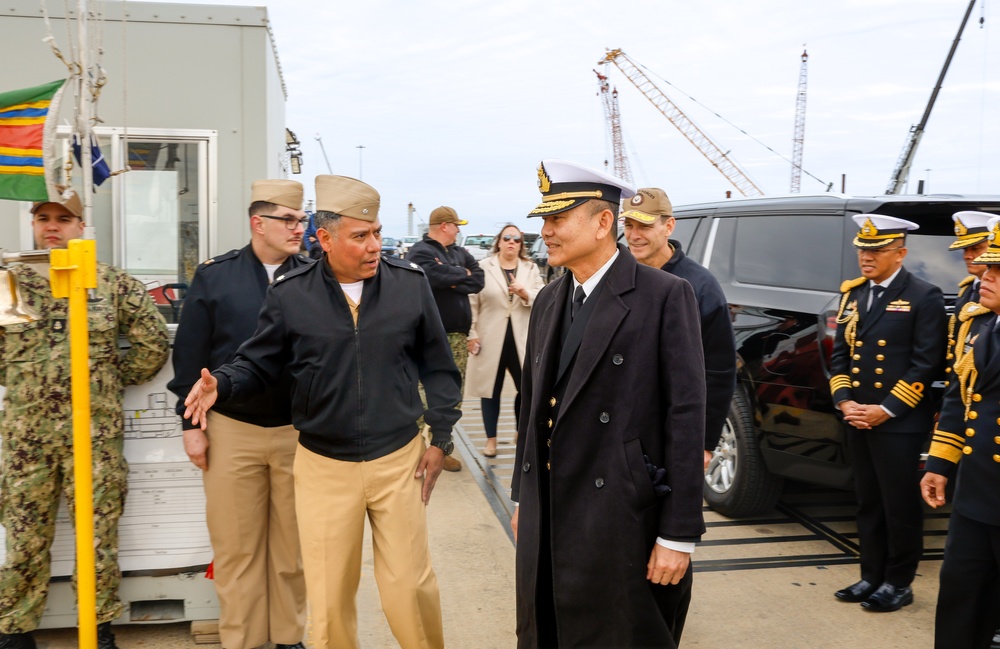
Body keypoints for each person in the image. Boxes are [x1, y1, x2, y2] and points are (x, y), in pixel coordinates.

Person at [181, 175, 462, 649]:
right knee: (329, 605)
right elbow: (258, 361)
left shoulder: (410, 286)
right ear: (325, 238)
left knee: (409, 589)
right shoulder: (291, 293)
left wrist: (441, 437)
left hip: (397, 460)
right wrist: (222, 385)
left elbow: (440, 367)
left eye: (376, 232)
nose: (374, 245)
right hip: (323, 466)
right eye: (360, 236)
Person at [510, 160, 706, 648]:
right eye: (544, 220)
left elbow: (686, 415)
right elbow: (532, 408)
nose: (546, 232)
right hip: (550, 508)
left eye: (558, 219)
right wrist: (522, 493)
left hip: (621, 516)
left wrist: (677, 535)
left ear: (603, 223)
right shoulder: (550, 301)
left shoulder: (664, 296)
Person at [0, 187, 169, 649]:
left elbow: (153, 343)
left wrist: (108, 381)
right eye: (43, 218)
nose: (51, 226)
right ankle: (15, 633)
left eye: (62, 219)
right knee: (23, 538)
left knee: (96, 540)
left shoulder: (111, 284)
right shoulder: (7, 283)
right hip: (26, 441)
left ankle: (99, 629)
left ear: (80, 227)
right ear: (33, 225)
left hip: (93, 440)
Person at [167, 179, 311, 649]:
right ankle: (243, 640)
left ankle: (289, 637)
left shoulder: (315, 276)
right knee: (237, 549)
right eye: (288, 219)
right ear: (259, 223)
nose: (299, 228)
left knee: (293, 548)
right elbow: (189, 358)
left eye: (302, 219)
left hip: (297, 432)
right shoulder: (216, 276)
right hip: (232, 429)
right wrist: (192, 427)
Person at [829, 213, 946, 612]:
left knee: (899, 505)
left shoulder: (924, 296)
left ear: (900, 253)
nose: (866, 257)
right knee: (867, 501)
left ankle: (899, 581)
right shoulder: (854, 294)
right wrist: (845, 402)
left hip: (898, 422)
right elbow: (841, 355)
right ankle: (870, 575)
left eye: (876, 250)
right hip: (858, 417)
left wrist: (886, 409)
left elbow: (926, 363)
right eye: (863, 249)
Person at [922, 216, 1000, 649]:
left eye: (996, 270)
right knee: (960, 603)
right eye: (986, 267)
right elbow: (961, 397)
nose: (983, 277)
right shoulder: (982, 324)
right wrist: (940, 464)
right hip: (975, 495)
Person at [622, 187, 736, 469]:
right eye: (628, 225)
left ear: (668, 226)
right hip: (619, 428)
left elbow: (719, 370)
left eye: (645, 225)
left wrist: (705, 443)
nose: (634, 235)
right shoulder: (615, 277)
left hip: (672, 432)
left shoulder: (700, 286)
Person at [407, 206, 485, 471]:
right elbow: (428, 275)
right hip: (429, 335)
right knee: (423, 392)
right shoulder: (421, 251)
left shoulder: (460, 252)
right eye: (456, 225)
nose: (459, 230)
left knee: (452, 394)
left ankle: (440, 446)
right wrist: (459, 274)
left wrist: (451, 276)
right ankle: (415, 447)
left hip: (457, 336)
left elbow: (478, 280)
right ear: (444, 225)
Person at [465, 225, 544, 457]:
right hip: (490, 339)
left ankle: (521, 432)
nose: (511, 242)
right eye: (507, 238)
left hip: (522, 341)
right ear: (499, 242)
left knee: (527, 390)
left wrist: (524, 293)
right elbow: (472, 303)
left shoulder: (530, 268)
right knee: (490, 391)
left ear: (521, 245)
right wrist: (472, 333)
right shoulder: (483, 267)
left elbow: (543, 296)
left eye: (516, 239)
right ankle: (491, 440)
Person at [945, 211, 992, 383]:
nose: (967, 255)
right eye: (965, 249)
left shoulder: (995, 293)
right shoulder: (966, 290)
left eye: (976, 248)